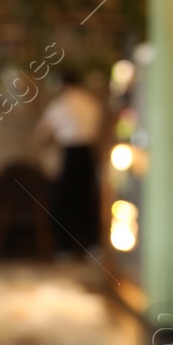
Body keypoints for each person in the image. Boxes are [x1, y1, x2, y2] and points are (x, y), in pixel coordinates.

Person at [37, 72, 103, 255]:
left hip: (69, 154)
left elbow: (43, 132)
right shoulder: (91, 102)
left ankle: (64, 247)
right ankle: (92, 245)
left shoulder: (61, 104)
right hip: (88, 155)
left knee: (62, 200)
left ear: (63, 85)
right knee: (87, 199)